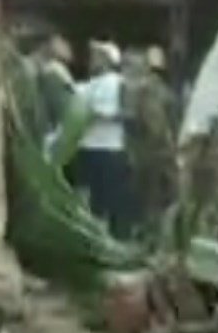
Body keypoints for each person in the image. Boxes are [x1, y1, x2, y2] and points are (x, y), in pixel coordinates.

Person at [73, 40, 138, 237]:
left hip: (111, 149)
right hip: (88, 148)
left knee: (114, 201)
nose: (92, 60)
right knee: (92, 202)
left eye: (97, 56)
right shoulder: (85, 86)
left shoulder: (120, 84)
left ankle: (119, 239)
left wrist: (101, 116)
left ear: (108, 60)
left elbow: (130, 115)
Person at [124, 45, 177, 224]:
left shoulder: (141, 89)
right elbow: (159, 124)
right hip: (156, 151)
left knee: (148, 197)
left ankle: (148, 233)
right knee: (156, 197)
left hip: (146, 151)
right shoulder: (159, 90)